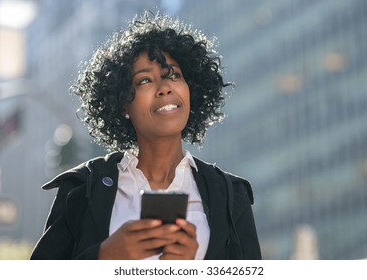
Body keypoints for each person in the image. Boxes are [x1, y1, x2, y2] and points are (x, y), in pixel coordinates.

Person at [30, 11, 262, 260]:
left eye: (173, 75)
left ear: (191, 89)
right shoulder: (83, 188)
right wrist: (104, 258)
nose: (164, 89)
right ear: (122, 104)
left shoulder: (229, 194)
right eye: (144, 81)